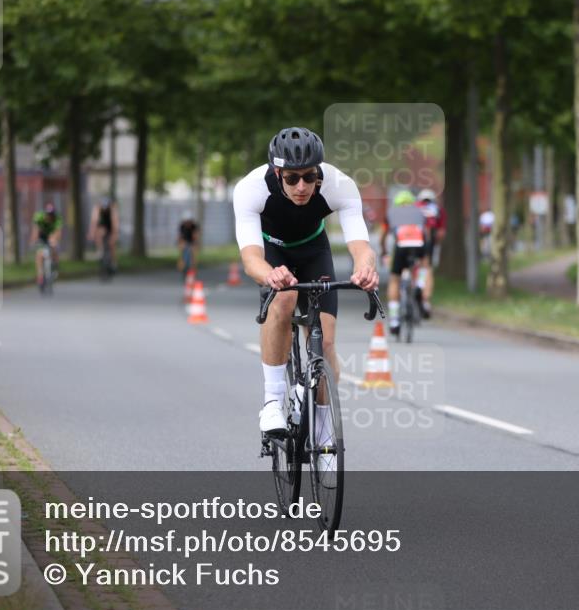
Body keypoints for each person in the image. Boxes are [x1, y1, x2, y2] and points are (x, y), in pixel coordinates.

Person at [233, 126, 379, 436]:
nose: (302, 186)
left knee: (325, 342)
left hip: (314, 250)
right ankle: (272, 401)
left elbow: (361, 246)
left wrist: (365, 268)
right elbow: (250, 259)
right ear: (277, 173)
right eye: (291, 178)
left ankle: (324, 431)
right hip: (271, 249)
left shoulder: (340, 185)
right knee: (283, 298)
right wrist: (270, 273)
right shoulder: (251, 188)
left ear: (319, 173)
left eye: (309, 177)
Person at [380, 190, 428, 336]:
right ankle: (420, 284)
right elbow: (425, 232)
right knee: (424, 264)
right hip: (418, 243)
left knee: (394, 279)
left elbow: (383, 236)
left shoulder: (391, 213)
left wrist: (384, 251)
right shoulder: (419, 212)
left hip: (401, 245)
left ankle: (394, 320)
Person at [415, 188, 444, 319]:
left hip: (410, 240)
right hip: (428, 242)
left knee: (412, 267)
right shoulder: (437, 209)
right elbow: (440, 233)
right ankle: (424, 299)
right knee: (426, 269)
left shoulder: (414, 207)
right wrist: (436, 244)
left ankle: (413, 286)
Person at [30, 202, 63, 287]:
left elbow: (58, 232)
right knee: (39, 255)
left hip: (51, 235)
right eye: (48, 215)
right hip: (42, 235)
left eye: (51, 215)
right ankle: (40, 275)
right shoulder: (39, 217)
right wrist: (33, 241)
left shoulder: (57, 218)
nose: (49, 217)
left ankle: (55, 265)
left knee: (54, 247)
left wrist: (55, 240)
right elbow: (36, 230)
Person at [87, 197, 119, 271]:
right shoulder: (97, 209)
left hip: (110, 225)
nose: (104, 209)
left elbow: (115, 223)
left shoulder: (113, 209)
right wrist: (91, 233)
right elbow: (94, 222)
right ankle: (100, 250)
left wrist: (115, 235)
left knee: (112, 245)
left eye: (106, 208)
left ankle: (114, 262)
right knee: (99, 232)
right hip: (102, 225)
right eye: (103, 208)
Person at [177, 212, 200, 276]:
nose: (187, 223)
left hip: (192, 242)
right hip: (184, 241)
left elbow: (196, 236)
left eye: (189, 222)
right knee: (182, 252)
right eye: (186, 222)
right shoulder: (182, 226)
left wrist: (195, 243)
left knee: (193, 255)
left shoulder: (194, 226)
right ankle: (182, 267)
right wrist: (181, 244)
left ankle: (194, 269)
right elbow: (180, 236)